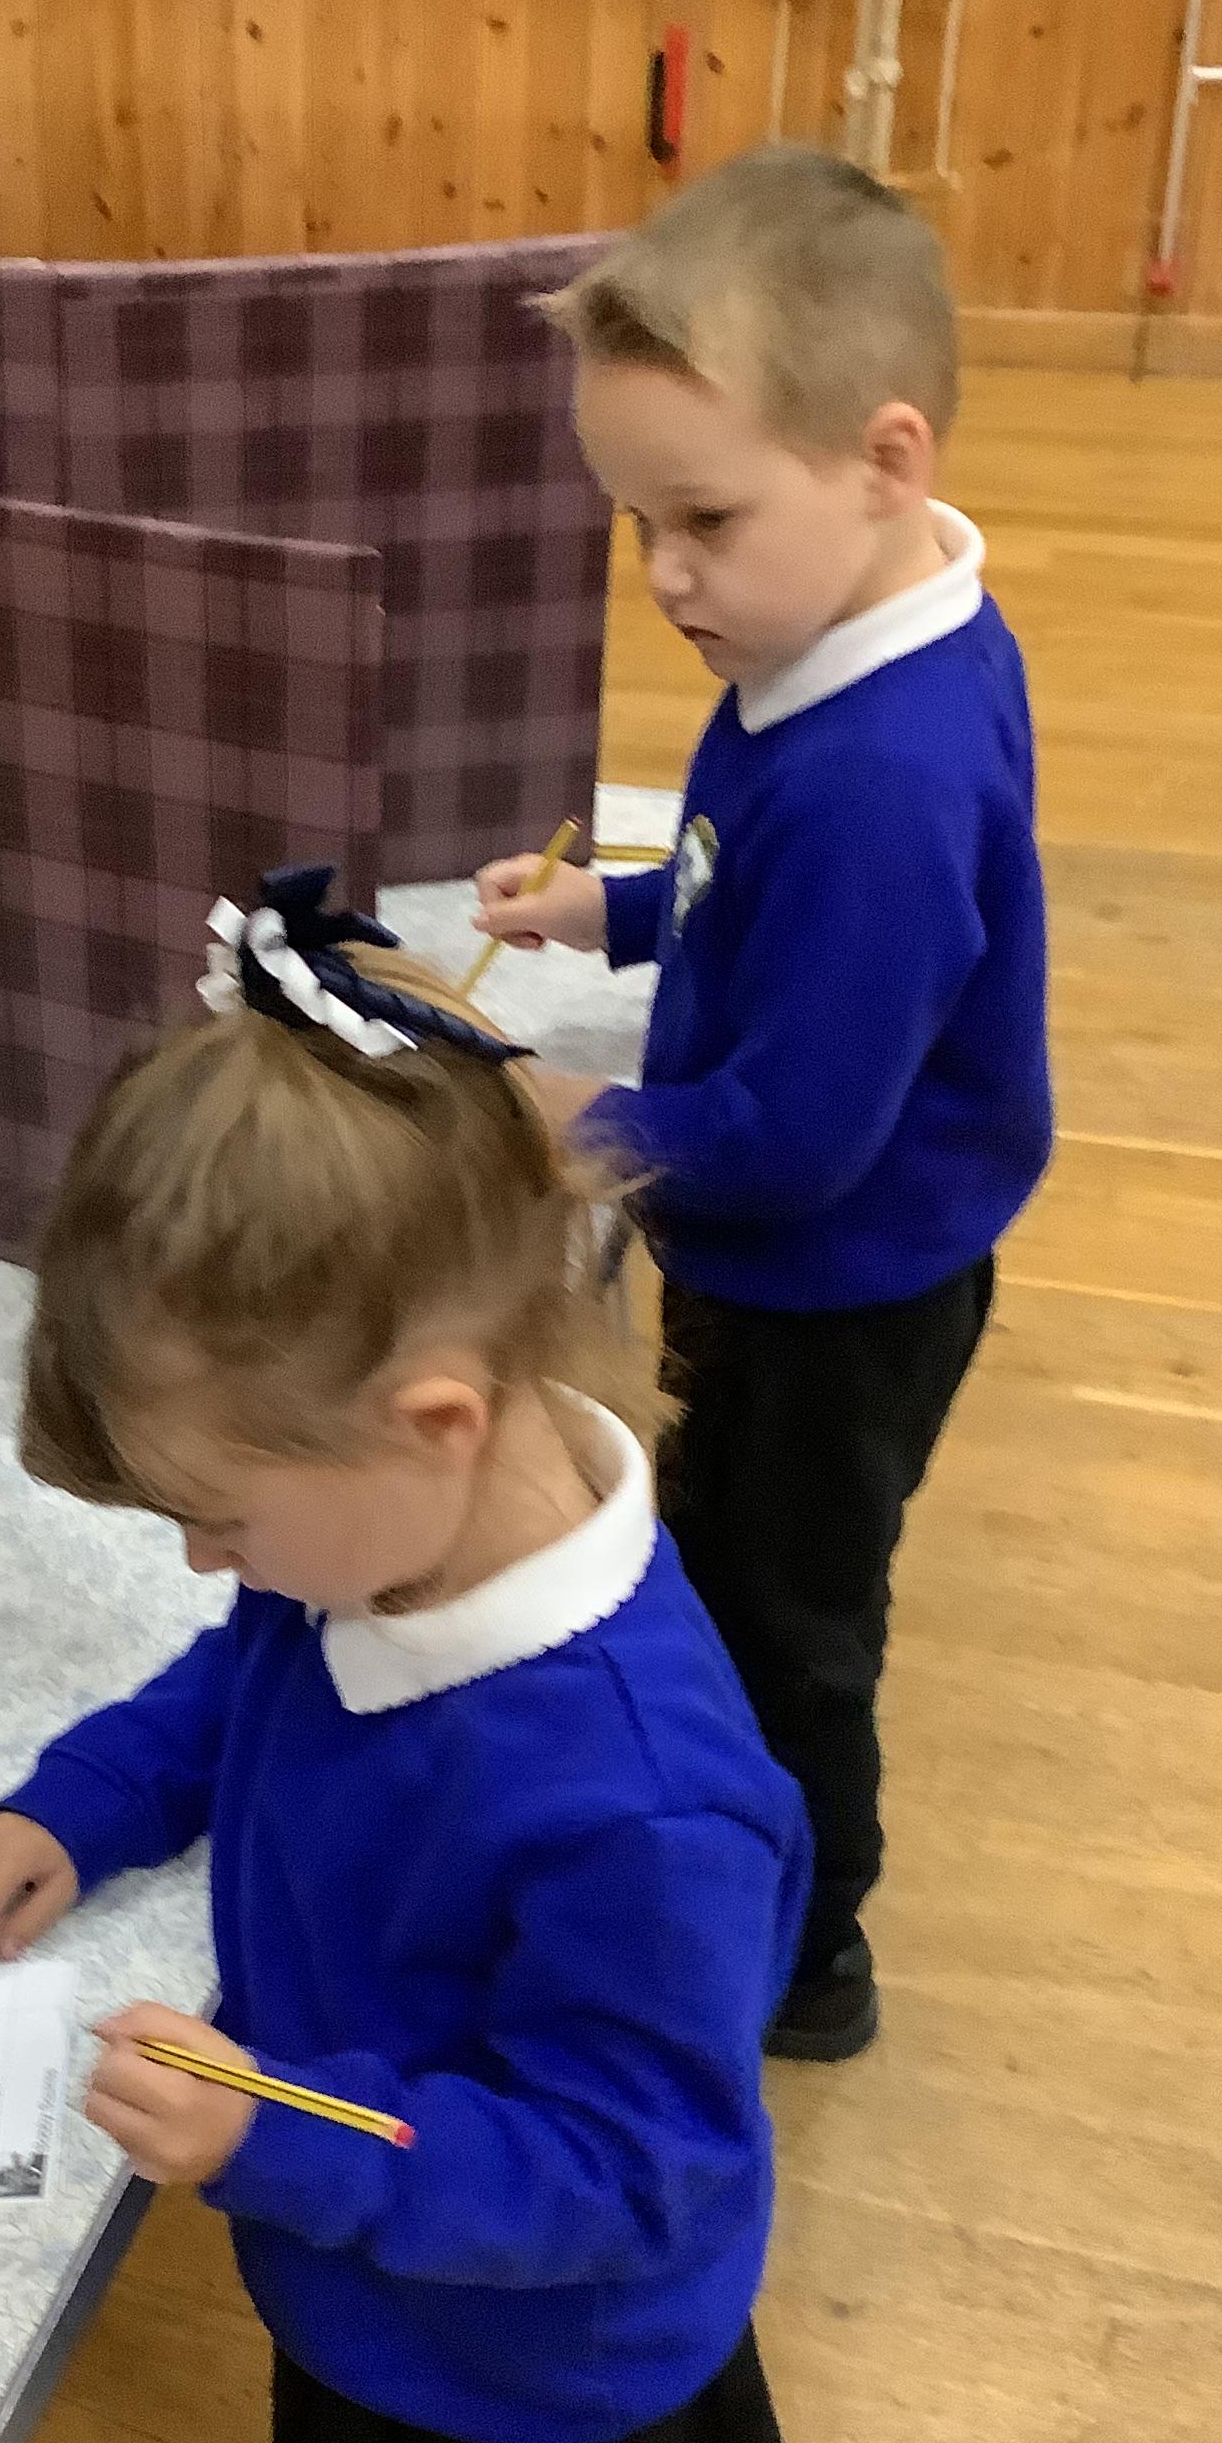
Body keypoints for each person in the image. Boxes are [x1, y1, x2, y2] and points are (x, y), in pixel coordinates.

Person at [0, 870, 813, 2443]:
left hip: (554, 2363)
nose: (202, 1560)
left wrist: (274, 2130)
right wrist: (78, 1804)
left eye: (216, 1514)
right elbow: (240, 1682)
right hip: (392, 2295)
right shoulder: (376, 1550)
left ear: (431, 1417)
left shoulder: (636, 1806)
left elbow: (626, 2161)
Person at [472, 146, 1053, 2061]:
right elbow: (752, 889)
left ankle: (806, 1968)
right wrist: (615, 911)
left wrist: (577, 1121)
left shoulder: (881, 771)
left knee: (789, 1624)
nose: (665, 577)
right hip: (799, 1255)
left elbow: (798, 1141)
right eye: (637, 524)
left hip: (837, 1290)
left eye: (704, 520)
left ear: (885, 459)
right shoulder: (840, 631)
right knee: (730, 1572)